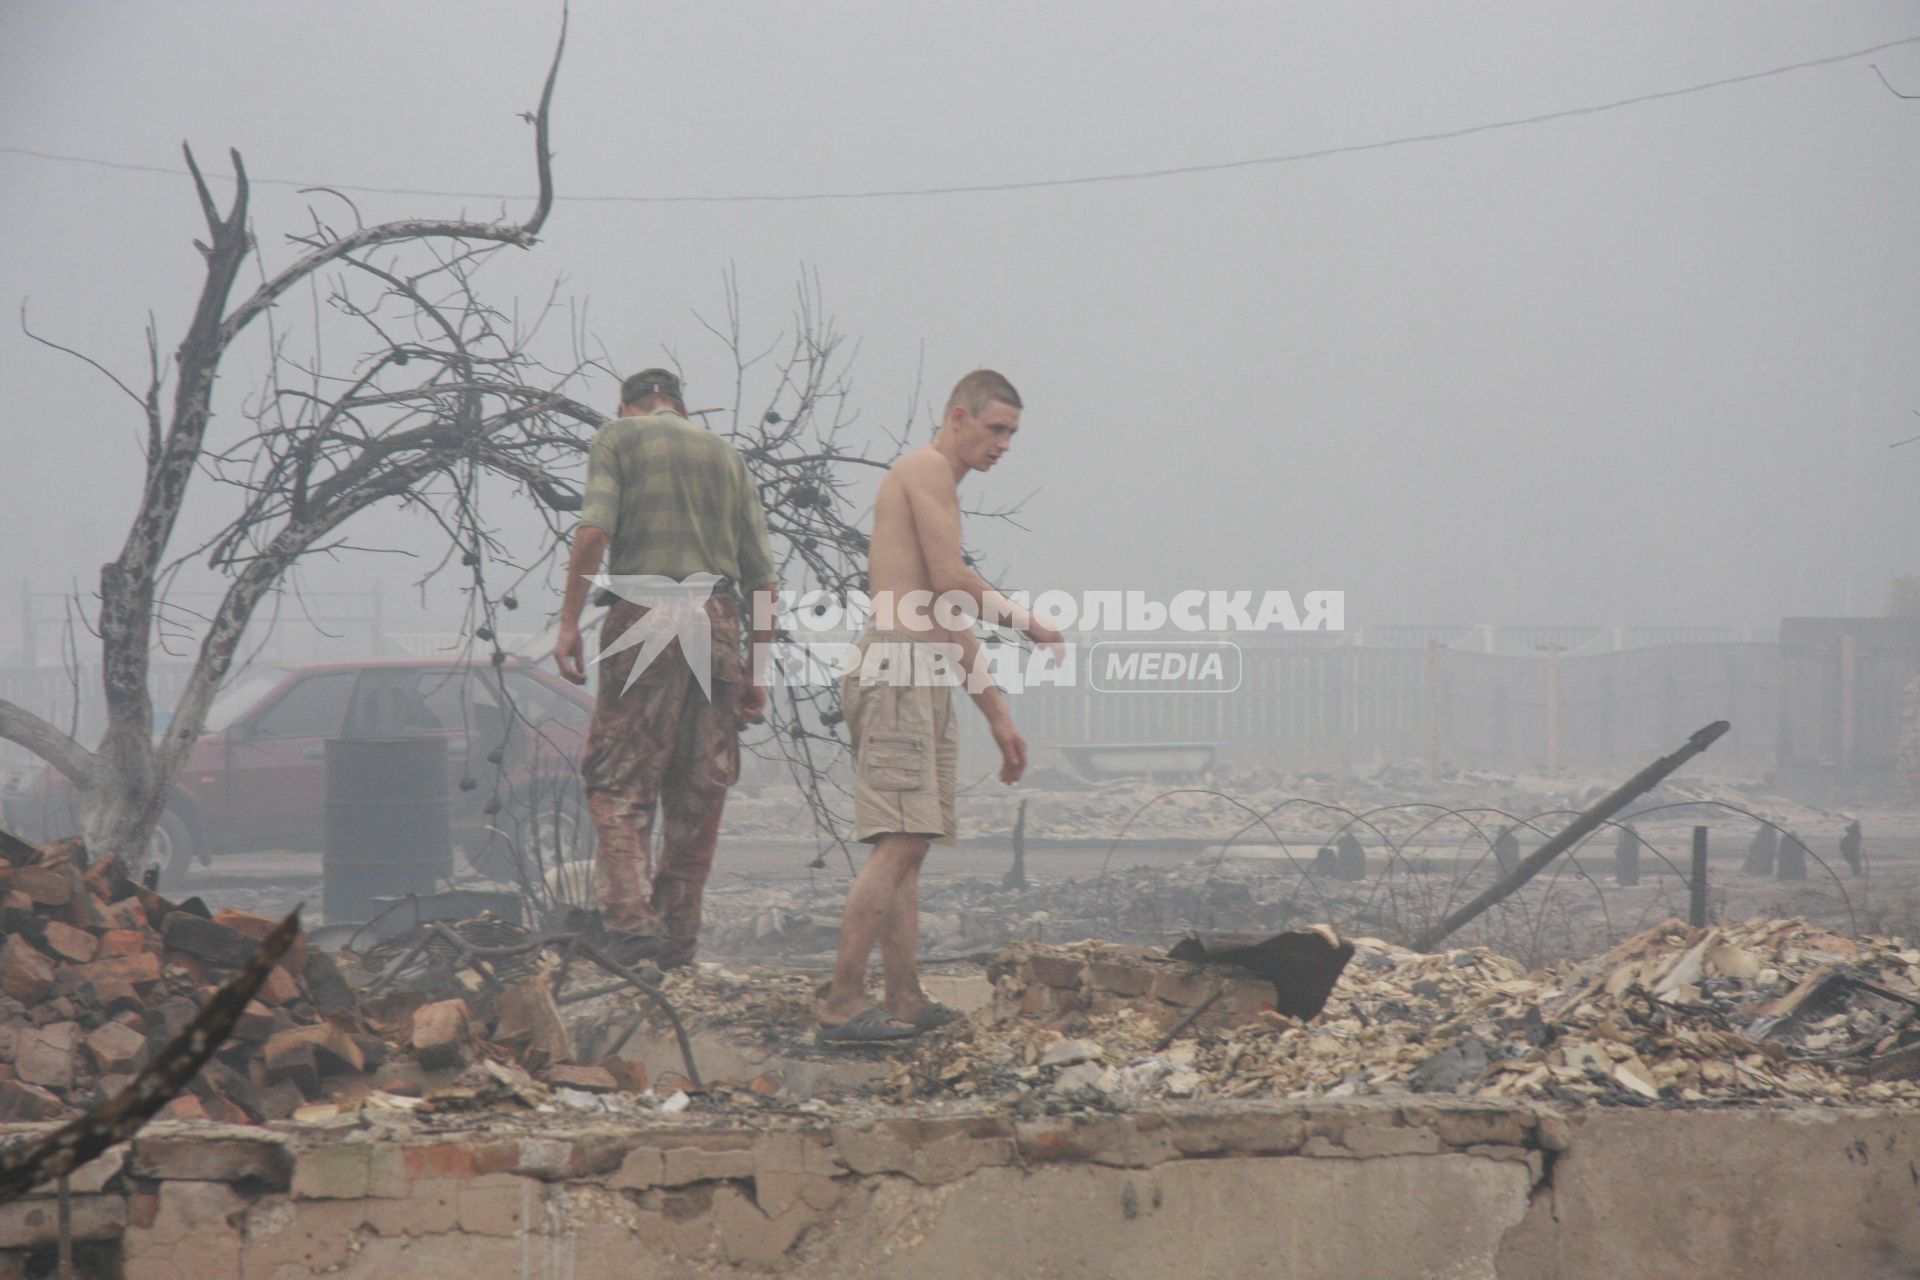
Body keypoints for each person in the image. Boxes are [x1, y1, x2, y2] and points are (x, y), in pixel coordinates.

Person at [817, 369, 1062, 1043]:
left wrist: (998, 717)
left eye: (1012, 433)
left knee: (914, 843)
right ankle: (840, 1001)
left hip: (923, 672)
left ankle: (903, 996)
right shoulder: (923, 469)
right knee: (897, 839)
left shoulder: (945, 491)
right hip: (894, 667)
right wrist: (1027, 620)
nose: (1004, 445)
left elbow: (949, 611)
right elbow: (954, 579)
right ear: (959, 417)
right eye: (995, 429)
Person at [554, 368, 778, 967]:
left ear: (626, 406)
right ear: (680, 405)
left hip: (645, 612)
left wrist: (570, 619)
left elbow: (595, 527)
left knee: (619, 780)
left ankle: (630, 926)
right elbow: (763, 578)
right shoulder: (727, 456)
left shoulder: (617, 438)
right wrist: (756, 670)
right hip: (719, 620)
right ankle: (677, 944)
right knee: (697, 793)